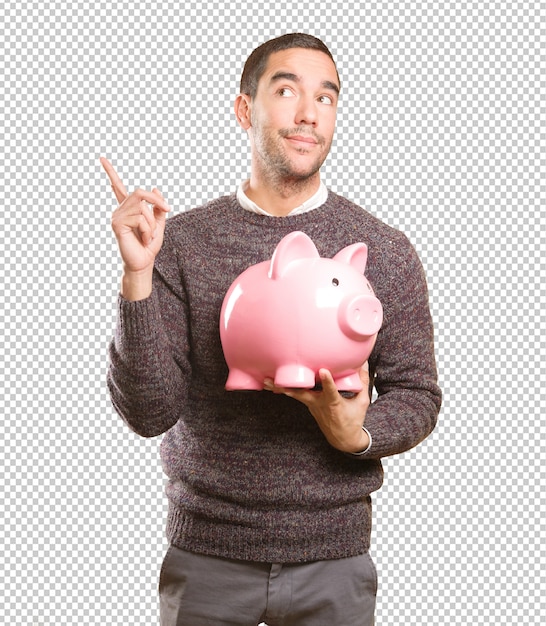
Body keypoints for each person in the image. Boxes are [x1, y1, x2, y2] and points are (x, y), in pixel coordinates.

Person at [102, 33, 441, 626]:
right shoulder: (180, 242)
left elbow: (419, 394)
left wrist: (354, 434)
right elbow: (148, 413)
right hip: (207, 555)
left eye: (326, 97)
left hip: (334, 558)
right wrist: (138, 275)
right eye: (287, 90)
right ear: (245, 109)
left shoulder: (384, 251)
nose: (309, 112)